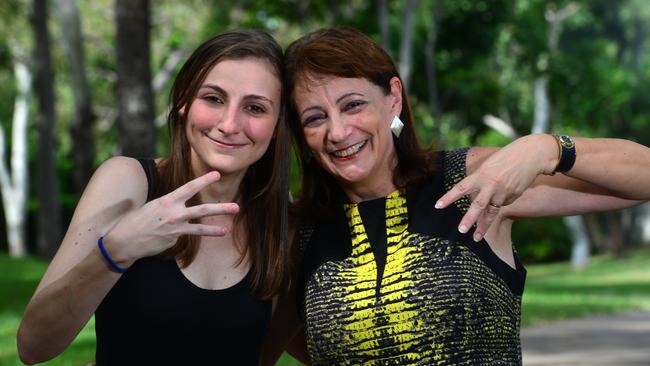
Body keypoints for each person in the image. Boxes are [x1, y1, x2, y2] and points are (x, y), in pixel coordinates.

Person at [267, 26, 650, 365]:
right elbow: (254, 349)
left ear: (393, 99)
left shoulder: (470, 180)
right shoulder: (299, 235)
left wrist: (548, 149)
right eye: (315, 117)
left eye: (353, 105)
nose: (338, 131)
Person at [17, 29, 291, 365]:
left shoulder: (280, 219)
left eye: (255, 107)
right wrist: (116, 251)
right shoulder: (127, 182)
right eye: (213, 99)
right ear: (183, 103)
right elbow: (33, 346)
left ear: (277, 125)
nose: (230, 123)